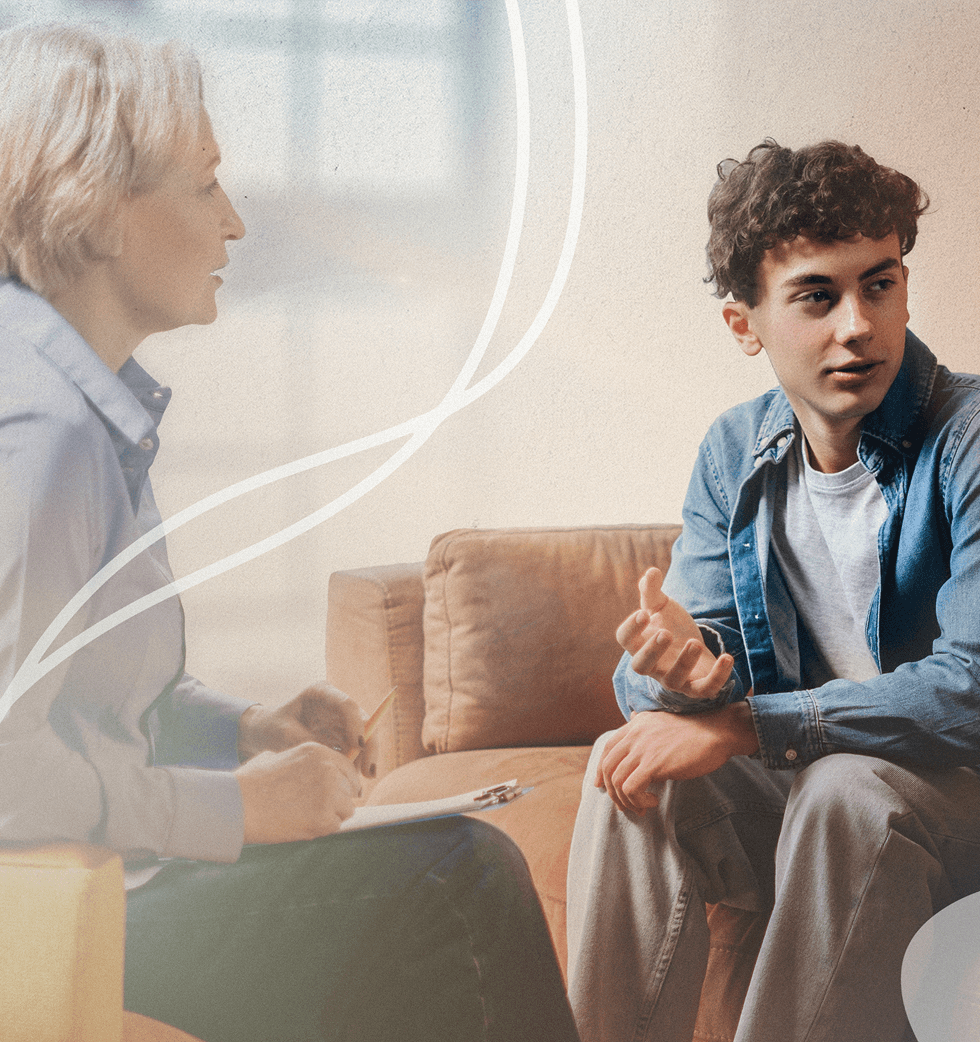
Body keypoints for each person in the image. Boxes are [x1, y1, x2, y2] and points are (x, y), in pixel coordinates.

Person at [0, 23, 577, 1042]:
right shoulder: (44, 428)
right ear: (100, 210)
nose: (233, 225)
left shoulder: (75, 401)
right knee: (459, 877)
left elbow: (74, 695)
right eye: (204, 184)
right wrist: (240, 809)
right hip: (54, 915)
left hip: (99, 886)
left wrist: (241, 729)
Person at [564, 139, 980, 1042]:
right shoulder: (735, 451)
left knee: (844, 787)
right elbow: (682, 675)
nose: (859, 325)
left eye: (881, 284)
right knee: (625, 767)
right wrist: (684, 680)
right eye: (818, 295)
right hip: (825, 795)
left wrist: (744, 724)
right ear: (746, 325)